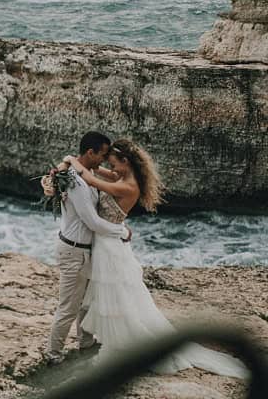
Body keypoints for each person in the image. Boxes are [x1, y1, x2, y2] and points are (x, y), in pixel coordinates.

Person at [62, 138, 248, 378]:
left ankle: (127, 345)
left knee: (118, 296)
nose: (112, 167)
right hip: (106, 242)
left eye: (114, 163)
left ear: (126, 162)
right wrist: (64, 170)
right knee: (113, 295)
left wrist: (70, 160)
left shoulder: (127, 186)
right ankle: (107, 340)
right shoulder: (122, 177)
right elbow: (96, 170)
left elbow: (90, 179)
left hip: (110, 246)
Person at [44, 131, 132, 364]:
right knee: (69, 307)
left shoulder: (89, 172)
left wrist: (67, 159)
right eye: (103, 154)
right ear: (90, 152)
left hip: (86, 249)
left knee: (87, 302)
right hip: (74, 250)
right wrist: (122, 232)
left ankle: (86, 341)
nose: (105, 159)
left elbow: (114, 177)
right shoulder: (77, 183)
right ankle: (53, 354)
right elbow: (92, 221)